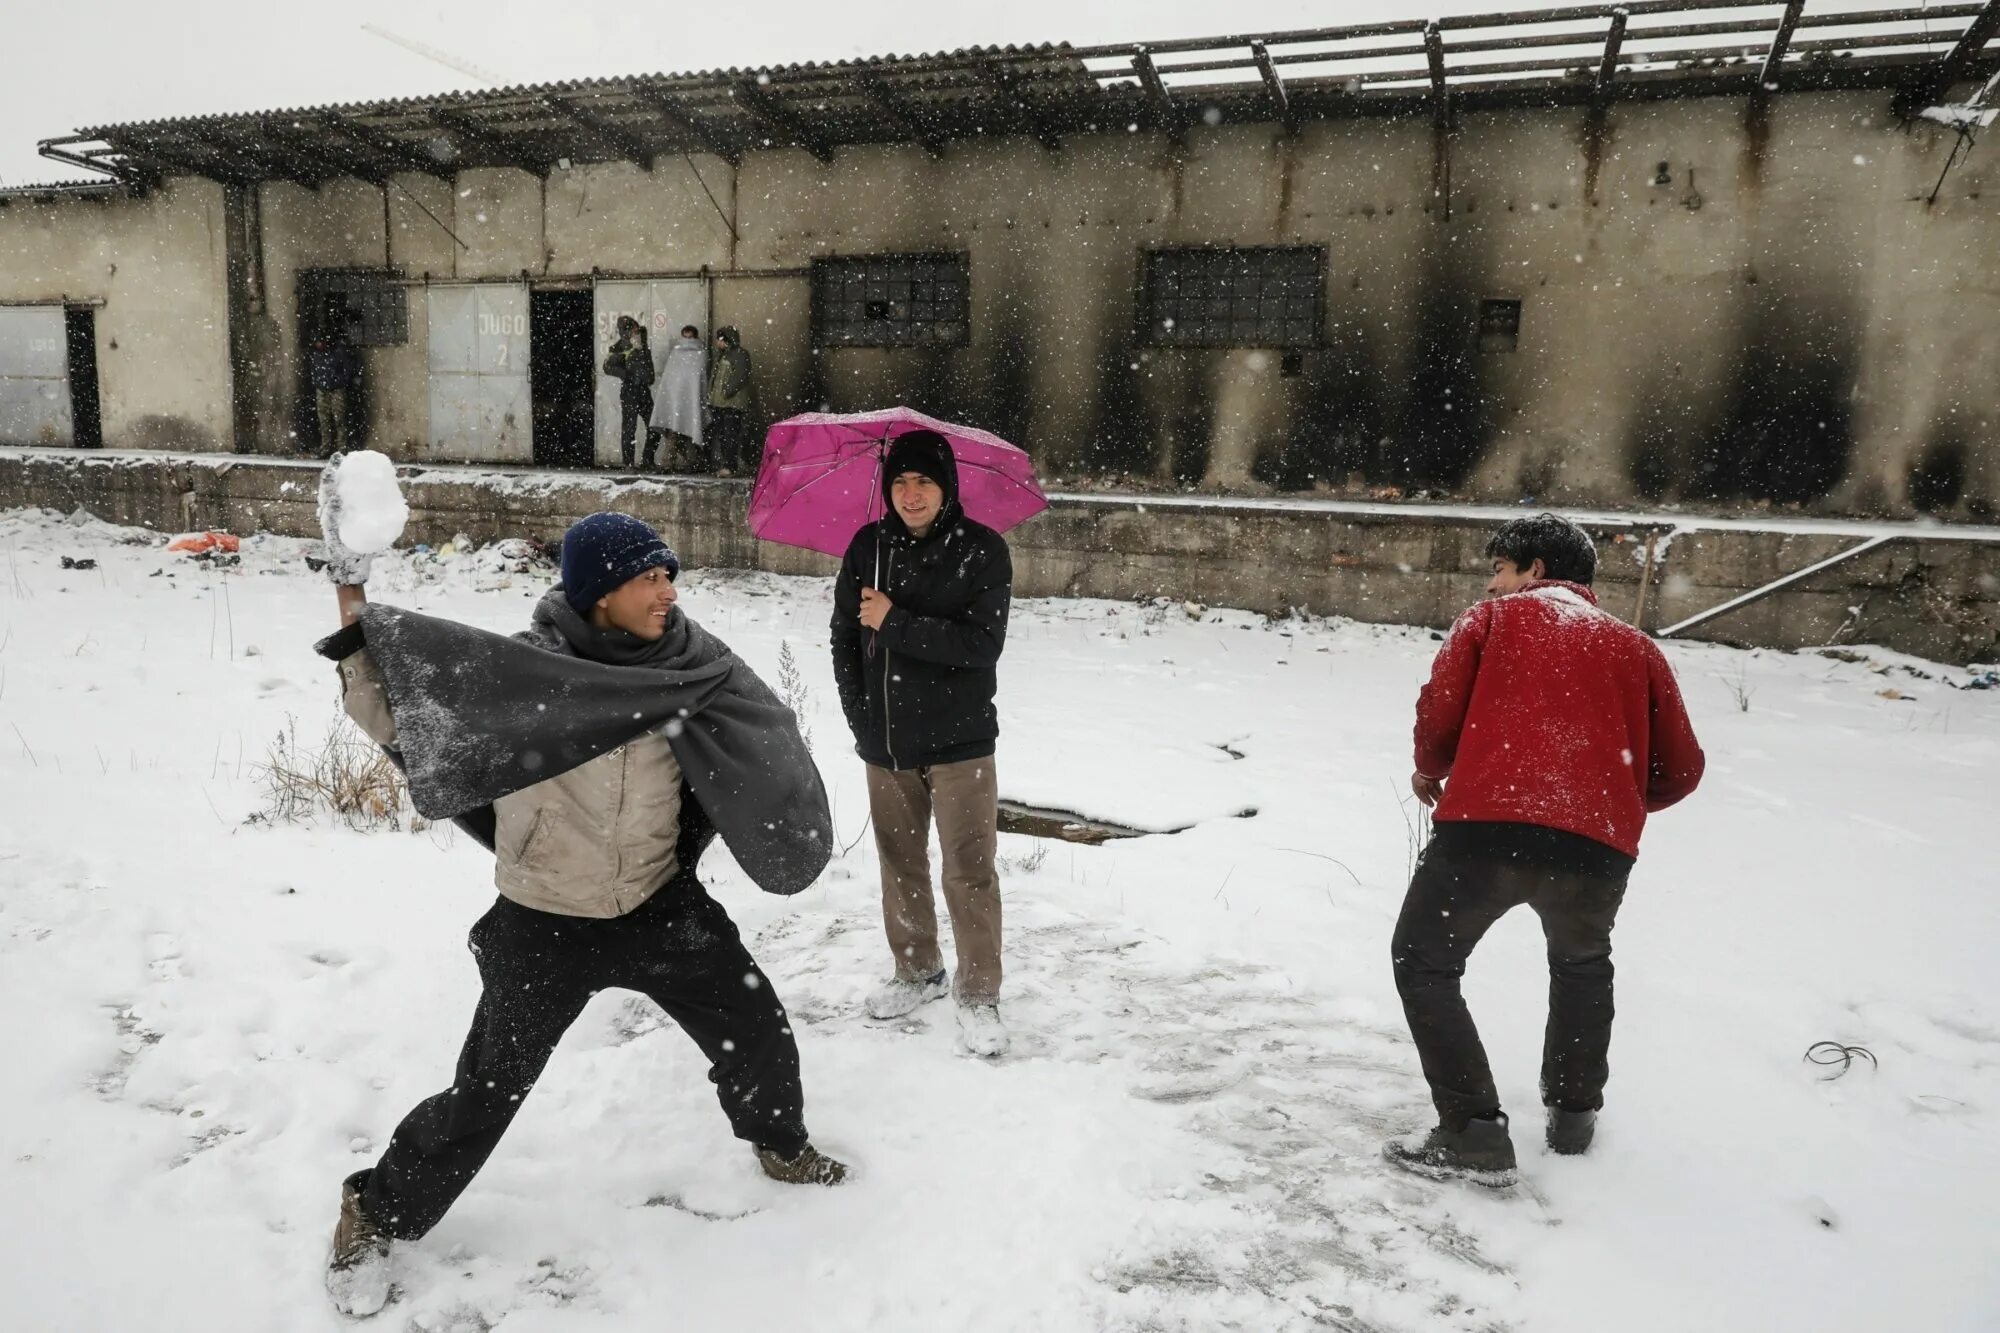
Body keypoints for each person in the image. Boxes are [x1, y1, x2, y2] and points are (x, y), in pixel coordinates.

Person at [312, 490, 847, 1317]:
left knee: (758, 1030)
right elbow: (401, 715)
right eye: (649, 579)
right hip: (543, 919)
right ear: (601, 593)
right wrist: (352, 598)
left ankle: (780, 1144)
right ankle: (377, 1207)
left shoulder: (691, 668)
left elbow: (750, 738)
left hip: (658, 905)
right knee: (487, 1090)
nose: (668, 591)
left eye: (669, 574)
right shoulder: (527, 677)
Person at [1386, 513, 1705, 1186]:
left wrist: (1430, 766)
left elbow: (1439, 712)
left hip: (1484, 834)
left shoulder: (1490, 622)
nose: (1492, 582)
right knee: (1582, 964)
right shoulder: (1639, 650)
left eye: (1501, 568)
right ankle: (1573, 1117)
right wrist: (1600, 803)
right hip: (1595, 853)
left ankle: (1472, 1129)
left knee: (1423, 960)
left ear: (1535, 570)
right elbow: (1682, 768)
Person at [830, 430, 1014, 1058]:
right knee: (900, 866)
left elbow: (979, 647)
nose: (911, 495)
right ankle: (918, 970)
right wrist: (861, 720)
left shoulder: (983, 553)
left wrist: (896, 621)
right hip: (888, 745)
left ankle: (979, 992)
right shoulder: (867, 546)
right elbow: (843, 640)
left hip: (963, 745)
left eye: (924, 482)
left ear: (947, 487)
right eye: (900, 483)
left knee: (969, 871)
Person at [646, 323, 706, 471]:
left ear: (696, 337)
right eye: (685, 337)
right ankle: (670, 461)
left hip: (690, 402)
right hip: (675, 402)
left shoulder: (701, 354)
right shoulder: (676, 354)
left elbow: (698, 378)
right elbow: (670, 379)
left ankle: (692, 462)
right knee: (673, 432)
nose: (687, 341)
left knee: (689, 432)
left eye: (690, 338)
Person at [602, 316, 655, 468]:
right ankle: (629, 464)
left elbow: (649, 366)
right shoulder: (620, 347)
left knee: (655, 427)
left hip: (644, 391)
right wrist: (626, 374)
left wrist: (649, 378)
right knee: (629, 429)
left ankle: (647, 460)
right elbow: (607, 367)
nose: (635, 332)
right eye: (632, 329)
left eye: (636, 329)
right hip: (630, 391)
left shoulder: (643, 346)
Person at [706, 326, 754, 476]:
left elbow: (739, 376)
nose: (717, 343)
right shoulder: (722, 355)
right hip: (719, 403)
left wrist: (727, 392)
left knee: (730, 434)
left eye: (720, 339)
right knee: (723, 435)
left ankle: (730, 465)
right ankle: (725, 464)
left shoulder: (739, 355)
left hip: (731, 404)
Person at [309, 331, 360, 457]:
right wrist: (318, 382)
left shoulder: (338, 353)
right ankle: (326, 447)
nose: (318, 344)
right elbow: (315, 370)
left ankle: (342, 448)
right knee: (324, 420)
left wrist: (339, 381)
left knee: (339, 419)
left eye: (320, 342)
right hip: (323, 389)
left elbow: (348, 369)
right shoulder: (317, 355)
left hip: (336, 389)